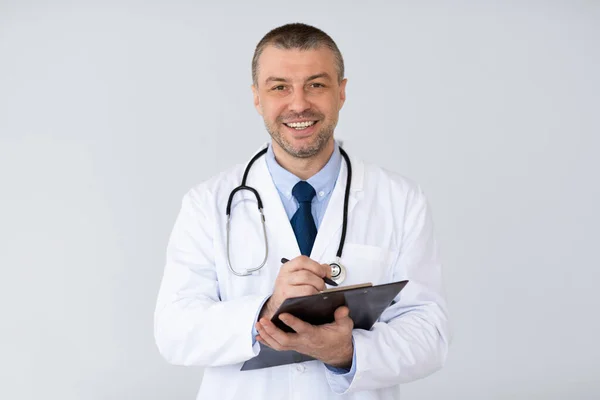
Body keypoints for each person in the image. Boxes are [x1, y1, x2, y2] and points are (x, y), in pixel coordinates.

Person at [154, 22, 450, 399]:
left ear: (341, 92)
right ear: (256, 98)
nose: (298, 104)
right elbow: (174, 331)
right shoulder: (207, 203)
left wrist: (348, 352)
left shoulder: (400, 200)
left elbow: (430, 332)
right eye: (279, 87)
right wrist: (267, 309)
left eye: (316, 84)